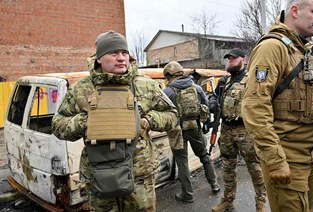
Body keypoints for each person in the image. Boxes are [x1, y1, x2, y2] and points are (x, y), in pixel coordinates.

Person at [52, 30, 183, 211]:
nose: (121, 58)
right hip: (99, 174)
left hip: (139, 174)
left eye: (124, 53)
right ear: (99, 58)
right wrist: (88, 121)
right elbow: (58, 125)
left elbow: (172, 114)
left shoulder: (145, 85)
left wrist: (147, 121)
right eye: (114, 53)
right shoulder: (81, 89)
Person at [242, 0, 313, 211]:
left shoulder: (303, 51)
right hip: (286, 158)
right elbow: (255, 106)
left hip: (307, 157)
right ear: (295, 10)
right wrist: (274, 159)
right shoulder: (272, 48)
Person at [210, 48, 267, 212]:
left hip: (245, 130)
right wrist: (213, 102)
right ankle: (228, 201)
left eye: (234, 59)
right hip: (226, 129)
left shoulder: (253, 79)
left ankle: (260, 204)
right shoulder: (224, 81)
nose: (230, 61)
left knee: (255, 168)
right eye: (228, 59)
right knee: (227, 167)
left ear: (244, 59)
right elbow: (214, 96)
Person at [162, 61, 221, 203]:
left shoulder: (167, 91)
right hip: (195, 127)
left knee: (182, 162)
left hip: (177, 130)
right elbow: (205, 106)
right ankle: (215, 185)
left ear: (169, 75)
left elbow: (163, 113)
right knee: (204, 156)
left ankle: (187, 194)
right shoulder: (196, 87)